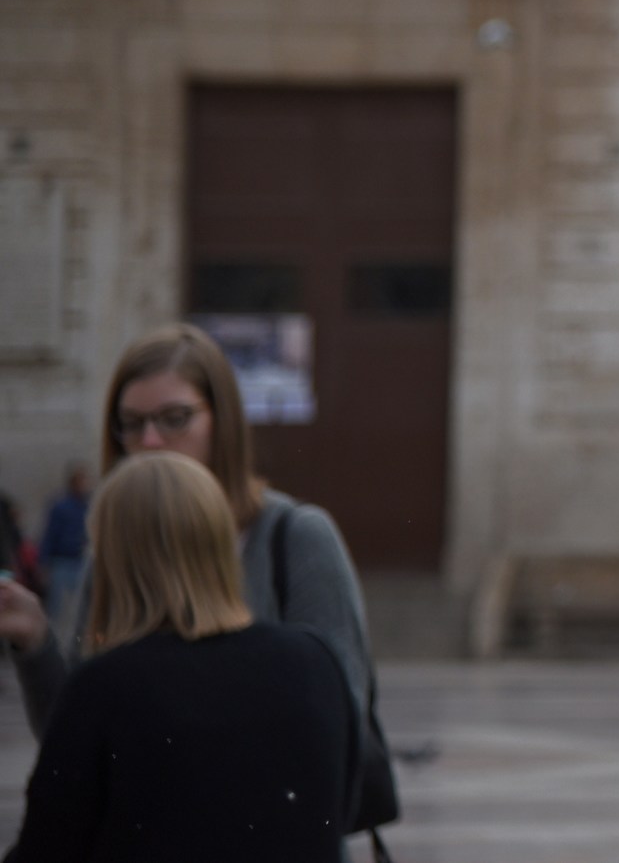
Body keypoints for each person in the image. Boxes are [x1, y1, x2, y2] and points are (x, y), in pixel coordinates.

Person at [0, 326, 377, 753]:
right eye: (132, 424)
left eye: (174, 418)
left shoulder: (295, 536)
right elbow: (72, 738)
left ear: (223, 420)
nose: (151, 441)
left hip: (264, 812)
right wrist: (33, 641)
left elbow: (342, 713)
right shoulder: (112, 549)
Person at [3, 451, 359, 863]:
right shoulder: (316, 662)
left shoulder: (107, 686)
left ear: (114, 558)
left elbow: (50, 846)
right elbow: (335, 808)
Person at [37, 464, 91, 629]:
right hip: (62, 560)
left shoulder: (87, 506)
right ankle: (50, 636)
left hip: (81, 560)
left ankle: (80, 640)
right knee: (56, 605)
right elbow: (50, 534)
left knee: (83, 606)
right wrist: (43, 563)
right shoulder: (61, 506)